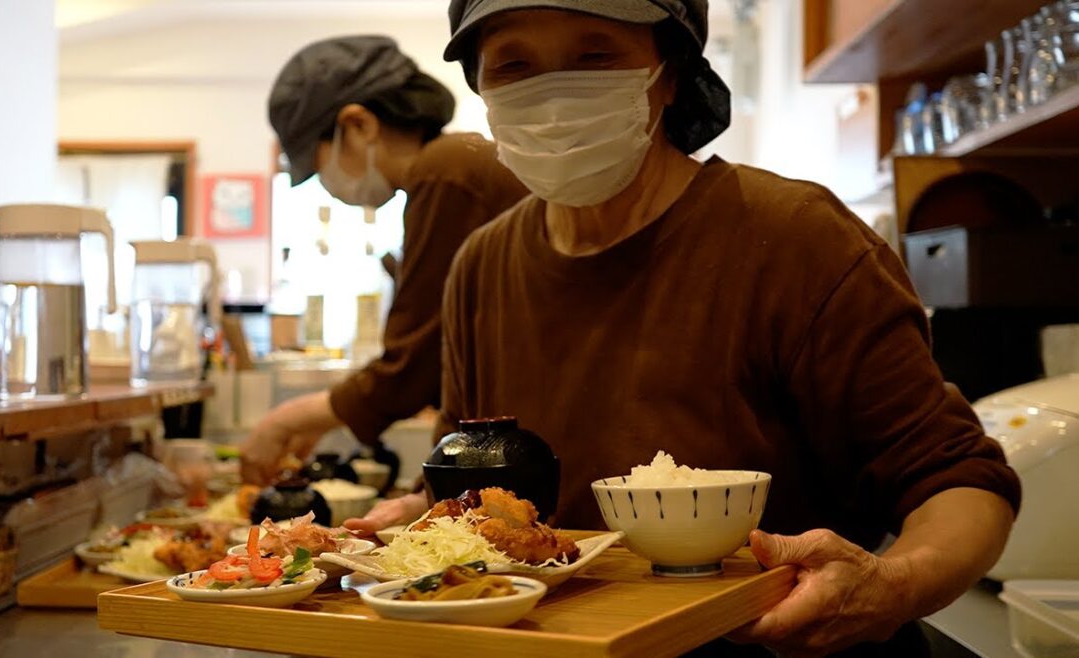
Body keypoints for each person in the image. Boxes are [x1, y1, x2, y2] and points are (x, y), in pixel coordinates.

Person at [348, 2, 1021, 655]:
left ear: (667, 71)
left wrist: (892, 585)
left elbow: (960, 485)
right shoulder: (481, 266)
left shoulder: (796, 240)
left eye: (594, 55)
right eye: (513, 65)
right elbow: (474, 487)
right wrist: (415, 519)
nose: (552, 95)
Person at [241, 36, 527, 485]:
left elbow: (412, 364)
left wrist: (289, 420)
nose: (329, 186)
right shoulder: (447, 169)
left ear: (358, 125)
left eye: (318, 169)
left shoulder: (445, 171)